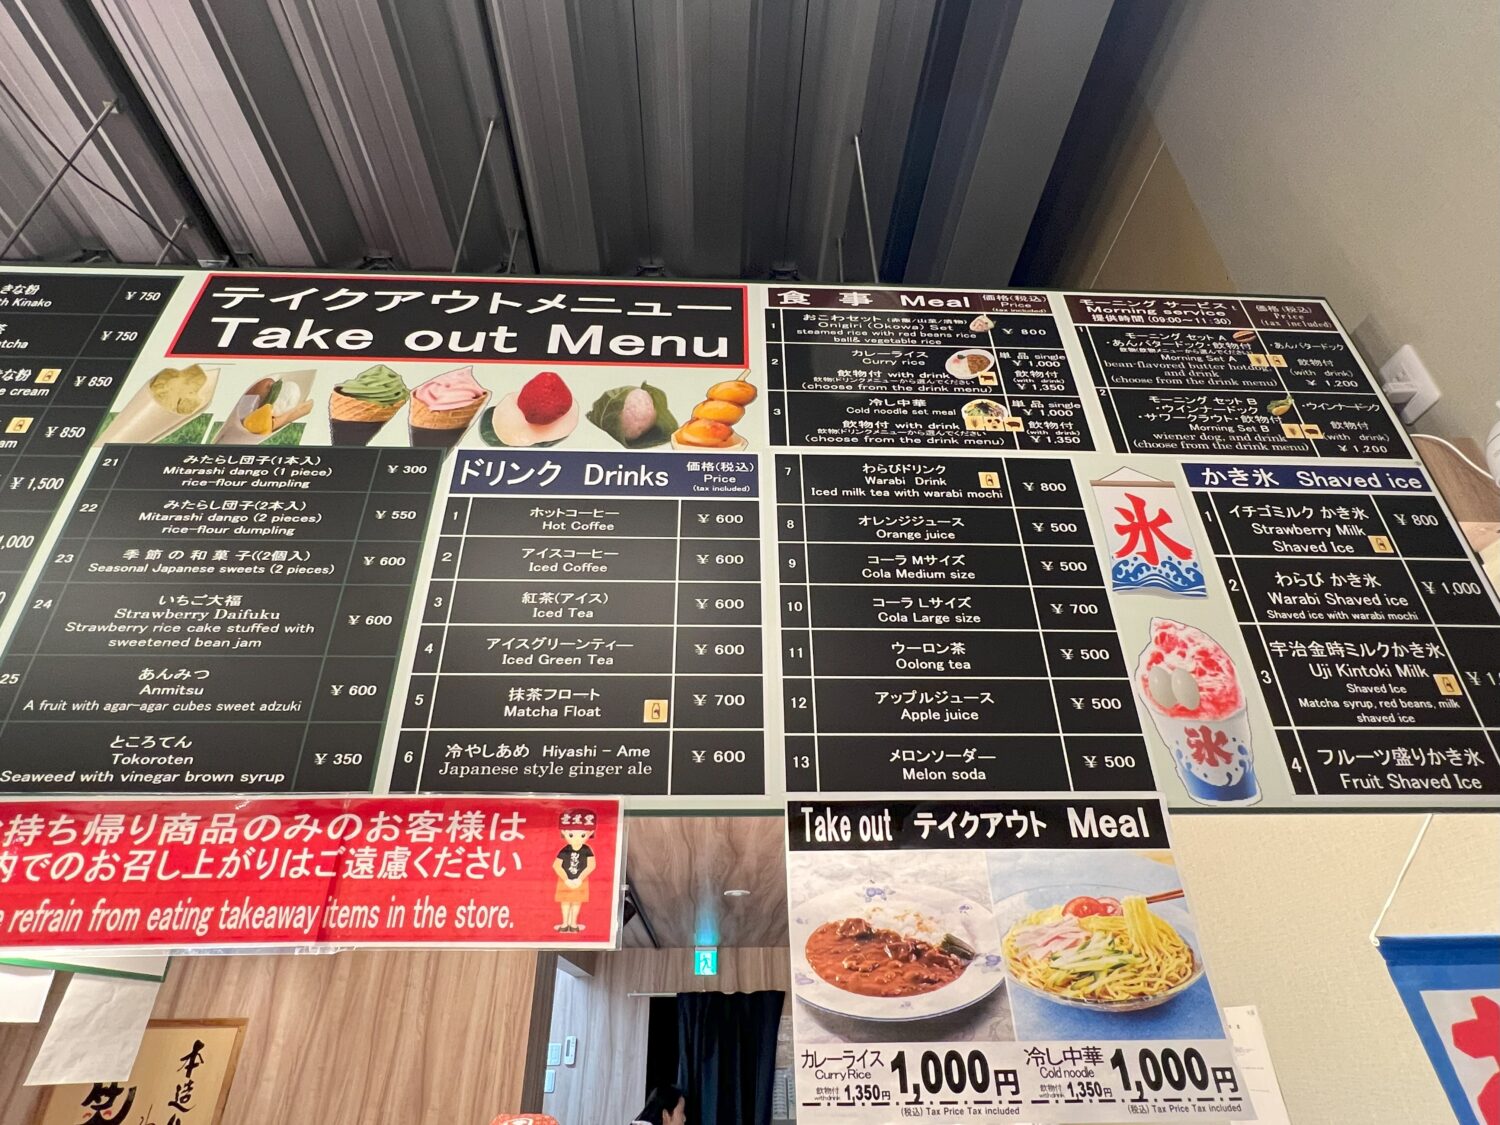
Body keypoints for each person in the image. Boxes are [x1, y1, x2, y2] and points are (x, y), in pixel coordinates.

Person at [552, 808, 598, 933]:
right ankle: (565, 923)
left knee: (577, 902)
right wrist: (566, 879)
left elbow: (591, 865)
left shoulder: (587, 850)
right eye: (571, 835)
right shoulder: (564, 850)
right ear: (564, 832)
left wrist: (580, 878)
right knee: (565, 902)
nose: (576, 839)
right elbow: (556, 865)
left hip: (581, 881)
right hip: (564, 881)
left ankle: (573, 924)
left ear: (590, 833)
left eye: (582, 835)